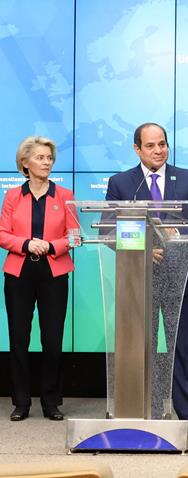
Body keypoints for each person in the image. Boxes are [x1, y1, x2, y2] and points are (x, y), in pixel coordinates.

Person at [105, 123, 188, 435]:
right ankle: (149, 412)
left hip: (178, 276)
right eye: (151, 146)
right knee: (145, 347)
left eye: (162, 144)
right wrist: (141, 246)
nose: (158, 151)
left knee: (183, 346)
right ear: (137, 149)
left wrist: (176, 231)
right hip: (138, 279)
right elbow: (108, 229)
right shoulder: (121, 183)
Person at [0, 136, 77, 421]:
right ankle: (21, 403)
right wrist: (27, 244)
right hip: (19, 273)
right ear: (25, 163)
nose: (47, 163)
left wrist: (51, 246)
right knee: (19, 339)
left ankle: (51, 402)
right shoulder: (12, 196)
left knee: (53, 340)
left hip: (53, 273)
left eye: (49, 158)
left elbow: (75, 236)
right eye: (40, 158)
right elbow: (2, 234)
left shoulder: (65, 195)